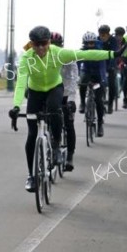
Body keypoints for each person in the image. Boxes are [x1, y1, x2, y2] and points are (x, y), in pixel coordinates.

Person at [9, 26, 126, 192]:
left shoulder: (58, 53)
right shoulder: (27, 58)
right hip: (35, 92)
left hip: (54, 88)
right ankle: (31, 176)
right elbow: (21, 83)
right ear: (32, 44)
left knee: (56, 110)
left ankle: (56, 146)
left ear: (49, 42)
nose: (41, 48)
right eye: (37, 44)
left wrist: (113, 54)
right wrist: (15, 106)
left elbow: (87, 54)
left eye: (44, 43)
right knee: (32, 134)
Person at [51, 32, 78, 170]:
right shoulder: (44, 56)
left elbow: (74, 78)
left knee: (69, 124)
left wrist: (72, 100)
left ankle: (70, 157)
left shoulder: (68, 57)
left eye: (57, 45)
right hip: (51, 92)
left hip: (66, 93)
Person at [78, 31, 106, 137]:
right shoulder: (81, 51)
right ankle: (82, 103)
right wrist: (76, 76)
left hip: (98, 75)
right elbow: (77, 63)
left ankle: (100, 125)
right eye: (88, 43)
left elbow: (102, 67)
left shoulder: (99, 52)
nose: (90, 45)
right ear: (84, 43)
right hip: (87, 73)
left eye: (92, 43)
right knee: (82, 83)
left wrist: (103, 79)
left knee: (99, 100)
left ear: (95, 43)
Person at [97, 24, 119, 114]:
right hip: (100, 63)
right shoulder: (97, 39)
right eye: (101, 34)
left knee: (111, 84)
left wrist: (111, 67)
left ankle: (110, 104)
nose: (102, 37)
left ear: (108, 34)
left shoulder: (113, 40)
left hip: (110, 63)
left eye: (104, 35)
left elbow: (114, 54)